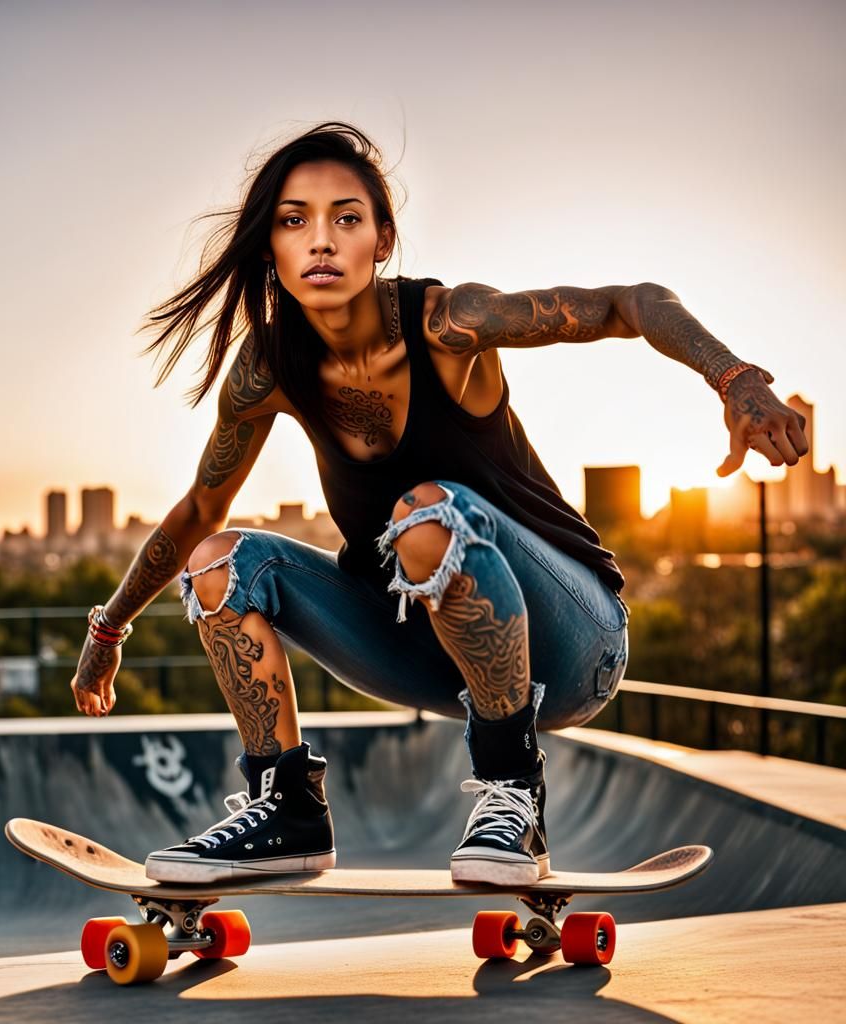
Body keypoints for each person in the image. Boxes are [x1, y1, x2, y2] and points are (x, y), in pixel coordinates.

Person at [71, 121, 809, 886]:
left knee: (427, 514)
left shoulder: (450, 323)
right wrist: (110, 625)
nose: (320, 241)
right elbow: (199, 505)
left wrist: (736, 381)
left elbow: (628, 302)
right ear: (271, 247)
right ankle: (288, 806)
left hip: (573, 642)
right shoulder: (268, 367)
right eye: (295, 221)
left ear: (381, 240)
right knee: (219, 564)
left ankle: (514, 787)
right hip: (418, 653)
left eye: (345, 219)